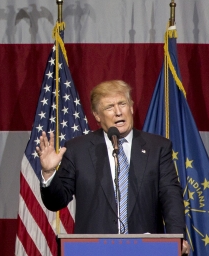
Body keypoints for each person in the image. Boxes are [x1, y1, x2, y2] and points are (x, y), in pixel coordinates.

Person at [36, 80, 188, 254]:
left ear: (131, 107)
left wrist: (177, 238)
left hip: (146, 248)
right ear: (97, 115)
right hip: (93, 250)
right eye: (109, 107)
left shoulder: (157, 147)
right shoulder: (78, 149)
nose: (118, 112)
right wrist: (48, 173)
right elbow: (57, 201)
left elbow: (171, 196)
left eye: (122, 104)